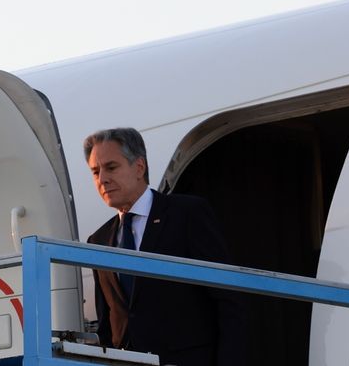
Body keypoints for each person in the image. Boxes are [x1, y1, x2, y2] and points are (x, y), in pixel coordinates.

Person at [84, 127, 245, 366]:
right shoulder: (97, 241)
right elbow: (108, 324)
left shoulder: (187, 214)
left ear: (139, 167)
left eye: (111, 167)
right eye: (95, 172)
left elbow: (227, 297)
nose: (102, 179)